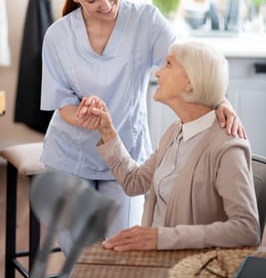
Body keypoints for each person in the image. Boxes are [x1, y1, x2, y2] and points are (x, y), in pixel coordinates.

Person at [40, 0, 246, 253]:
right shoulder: (57, 36)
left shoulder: (145, 21)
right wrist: (82, 116)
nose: (107, 4)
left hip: (126, 155)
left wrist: (221, 102)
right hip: (68, 155)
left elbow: (187, 65)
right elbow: (62, 102)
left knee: (119, 249)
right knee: (79, 257)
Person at [88, 41, 260, 251]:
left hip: (192, 271)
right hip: (155, 261)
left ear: (189, 82)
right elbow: (135, 182)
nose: (158, 73)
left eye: (168, 64)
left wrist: (161, 238)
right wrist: (107, 130)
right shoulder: (174, 131)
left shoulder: (228, 148)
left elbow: (247, 229)